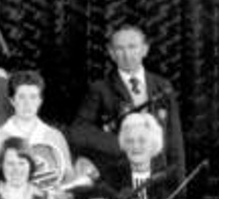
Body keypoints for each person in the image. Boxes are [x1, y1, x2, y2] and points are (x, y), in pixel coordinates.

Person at [68, 25, 185, 179]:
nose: (127, 54)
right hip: (120, 176)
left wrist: (178, 187)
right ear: (111, 53)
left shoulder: (163, 86)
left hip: (158, 177)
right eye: (120, 48)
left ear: (145, 50)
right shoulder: (99, 89)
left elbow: (175, 140)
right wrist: (122, 143)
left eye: (132, 47)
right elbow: (79, 131)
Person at [0, 71, 75, 199]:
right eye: (21, 97)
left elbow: (70, 188)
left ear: (40, 101)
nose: (27, 103)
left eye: (33, 97)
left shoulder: (55, 137)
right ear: (12, 100)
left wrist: (62, 196)